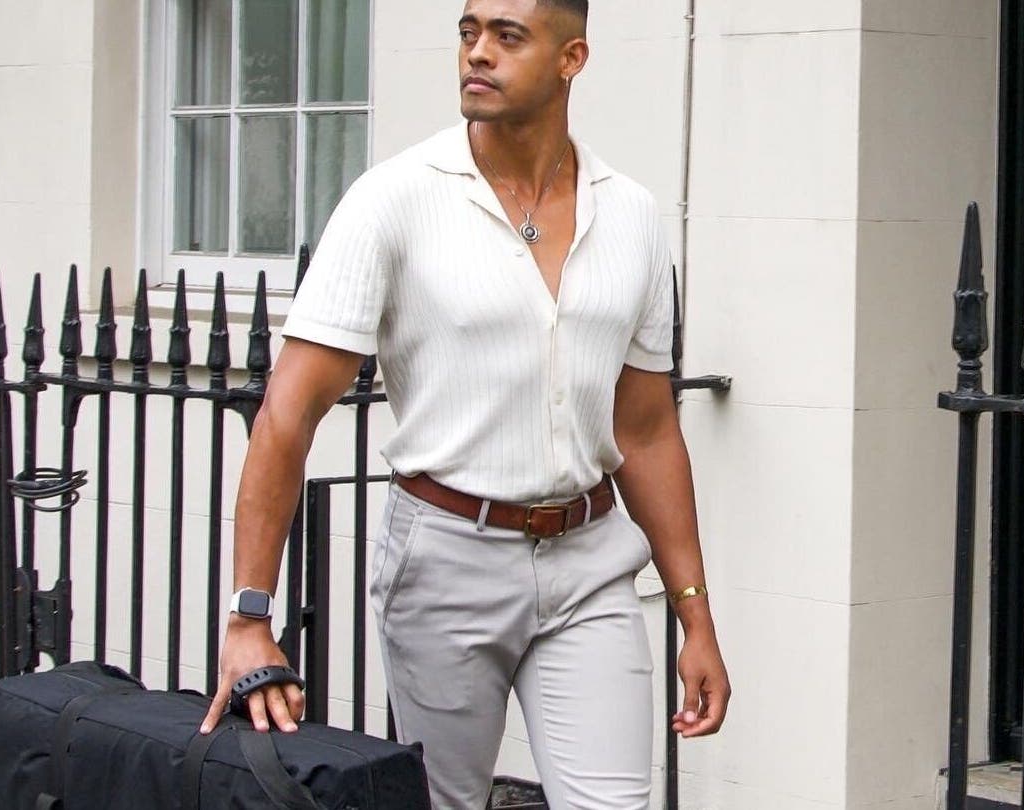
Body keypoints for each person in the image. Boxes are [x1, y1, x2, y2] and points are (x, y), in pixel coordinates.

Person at [200, 0, 730, 806]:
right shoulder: (394, 199)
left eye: (507, 36)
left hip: (589, 560)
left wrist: (695, 615)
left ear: (571, 58)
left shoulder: (630, 214)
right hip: (445, 556)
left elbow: (647, 431)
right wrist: (249, 617)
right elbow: (287, 415)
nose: (477, 53)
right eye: (468, 32)